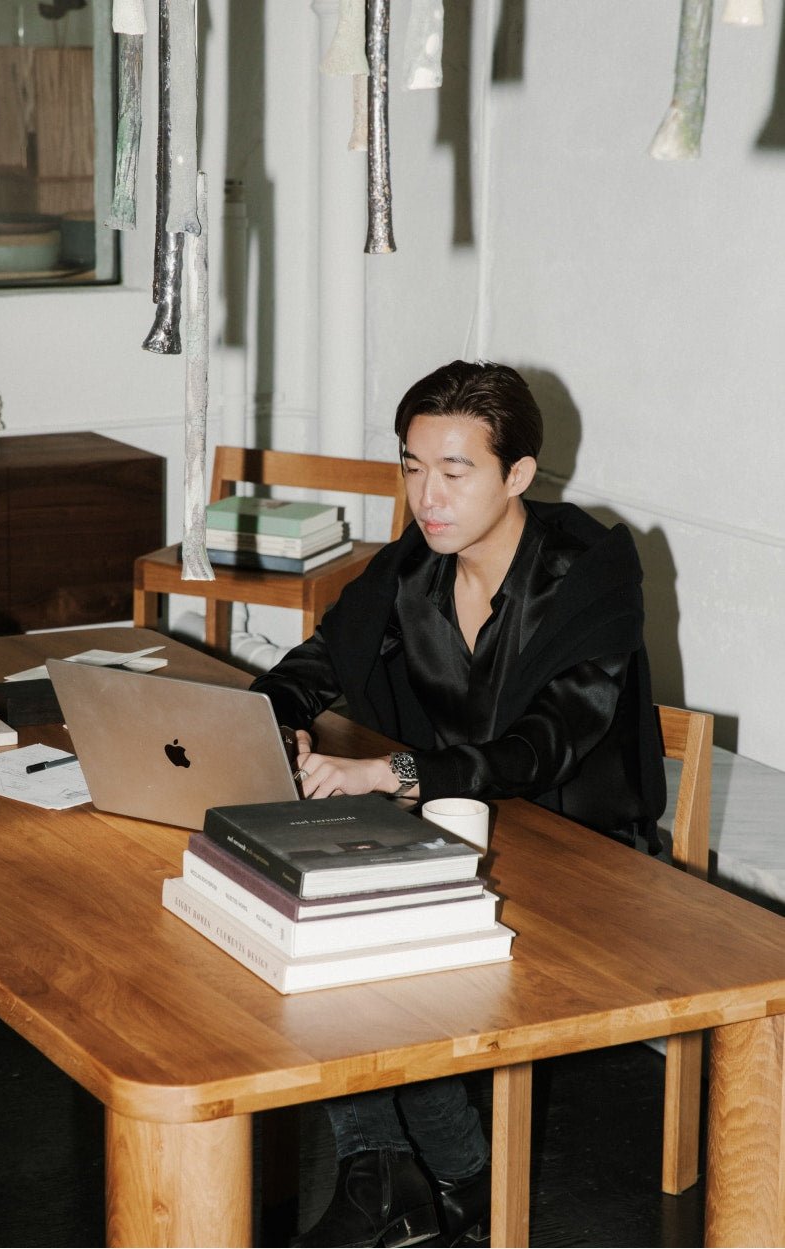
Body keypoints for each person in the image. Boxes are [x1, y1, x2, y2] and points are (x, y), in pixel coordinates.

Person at [249, 360, 666, 1248]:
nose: (427, 497)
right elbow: (317, 662)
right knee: (319, 912)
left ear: (518, 475)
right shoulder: (414, 564)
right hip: (448, 834)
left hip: (583, 856)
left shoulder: (591, 571)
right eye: (412, 467)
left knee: (366, 931)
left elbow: (540, 749)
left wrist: (388, 772)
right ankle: (389, 1175)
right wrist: (269, 723)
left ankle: (453, 1178)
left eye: (454, 470)